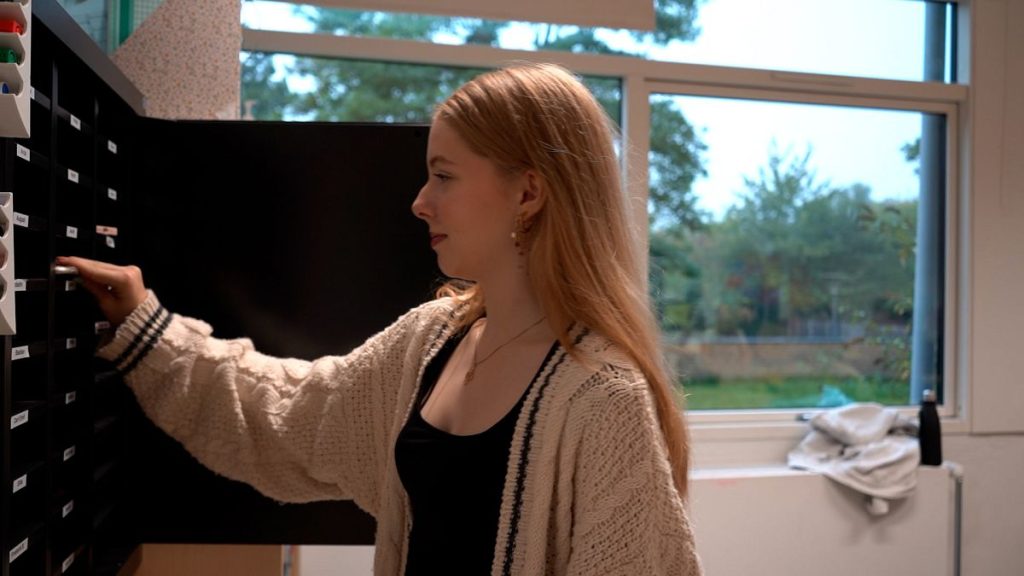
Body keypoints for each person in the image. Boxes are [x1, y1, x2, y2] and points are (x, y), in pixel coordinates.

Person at [59, 63, 702, 576]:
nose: (421, 202)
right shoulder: (430, 341)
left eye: (443, 176)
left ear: (528, 193)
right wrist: (148, 328)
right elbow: (289, 415)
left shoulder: (603, 400)